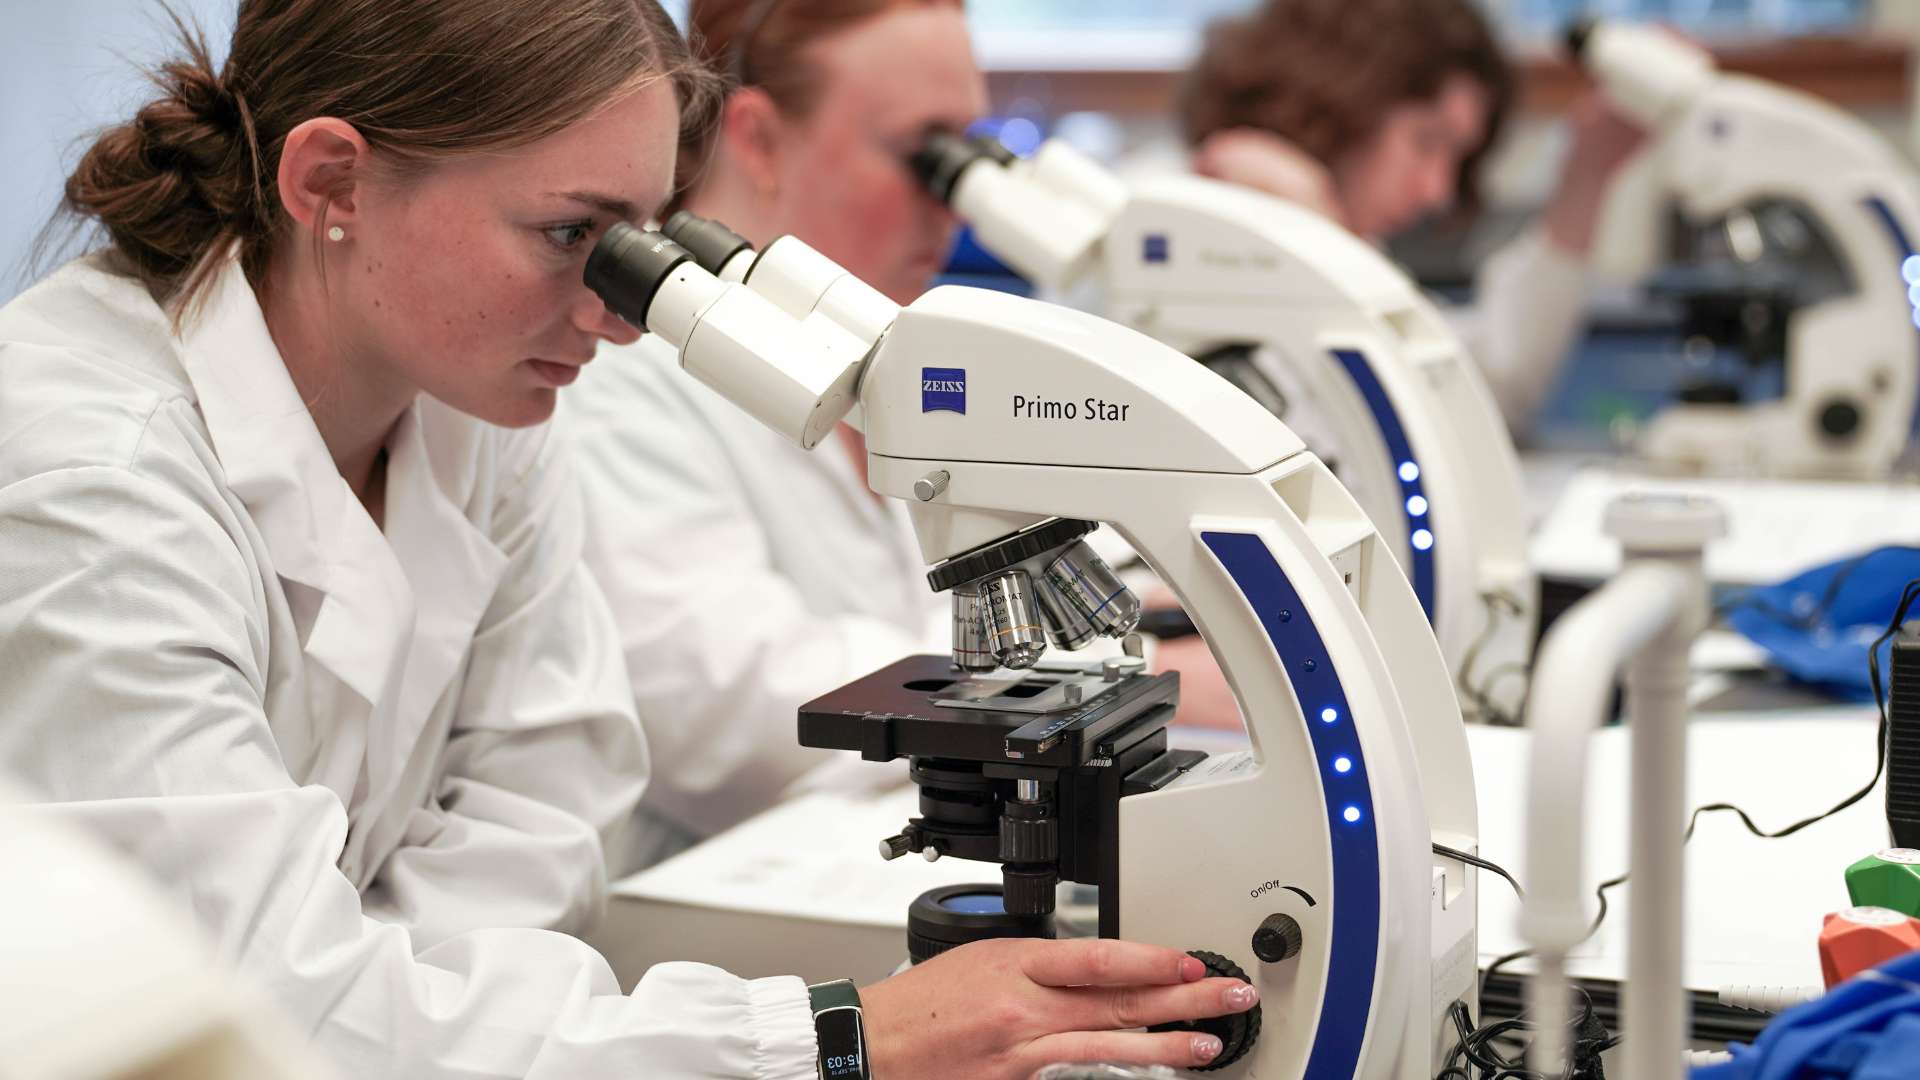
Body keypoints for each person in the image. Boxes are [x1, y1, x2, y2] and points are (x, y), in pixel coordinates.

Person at [0, 2, 1256, 1077]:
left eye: (647, 241)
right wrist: (840, 1037)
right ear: (331, 182)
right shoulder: (89, 485)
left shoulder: (471, 400)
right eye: (570, 235)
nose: (618, 316)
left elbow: (546, 818)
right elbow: (253, 1011)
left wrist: (416, 1005)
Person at [565, 0, 986, 860]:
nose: (957, 208)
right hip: (698, 924)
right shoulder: (612, 373)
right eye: (925, 156)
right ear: (757, 139)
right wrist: (1048, 681)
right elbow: (733, 710)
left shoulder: (889, 370)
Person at [1177, 0, 1648, 436]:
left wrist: (1588, 177)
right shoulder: (1170, 211)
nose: (1437, 191)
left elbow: (1469, 390)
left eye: (1456, 159)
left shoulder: (1343, 236)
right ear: (1339, 98)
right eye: (1426, 141)